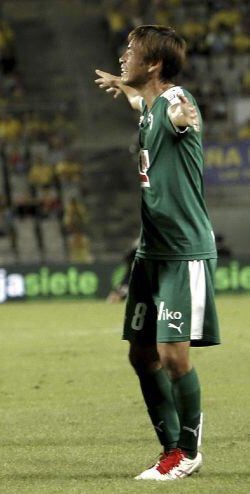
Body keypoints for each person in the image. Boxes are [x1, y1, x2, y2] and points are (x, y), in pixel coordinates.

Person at [95, 25, 220, 481]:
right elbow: (141, 103)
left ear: (153, 64)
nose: (123, 56)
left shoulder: (173, 104)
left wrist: (187, 116)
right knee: (140, 355)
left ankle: (187, 452)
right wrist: (121, 86)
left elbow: (182, 115)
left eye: (131, 51)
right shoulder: (148, 106)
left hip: (183, 252)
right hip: (151, 252)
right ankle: (169, 447)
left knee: (173, 356)